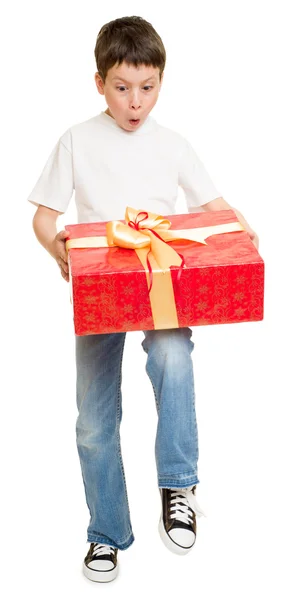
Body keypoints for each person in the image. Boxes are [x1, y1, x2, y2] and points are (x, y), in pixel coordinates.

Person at [28, 16, 259, 583]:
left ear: (161, 82)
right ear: (99, 83)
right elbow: (44, 216)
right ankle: (106, 532)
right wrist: (60, 251)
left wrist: (242, 230)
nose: (136, 102)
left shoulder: (174, 144)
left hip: (161, 282)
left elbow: (212, 206)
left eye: (148, 87)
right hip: (102, 287)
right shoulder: (77, 139)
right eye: (122, 87)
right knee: (93, 415)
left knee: (174, 358)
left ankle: (178, 484)